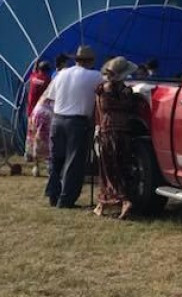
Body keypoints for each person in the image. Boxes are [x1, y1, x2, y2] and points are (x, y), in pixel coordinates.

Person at [44, 46, 103, 209]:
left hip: (57, 119)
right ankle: (66, 199)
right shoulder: (96, 76)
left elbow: (51, 97)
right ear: (90, 61)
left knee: (56, 160)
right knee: (74, 162)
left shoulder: (62, 74)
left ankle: (53, 194)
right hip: (77, 122)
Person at [94, 57, 143, 219]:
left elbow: (99, 111)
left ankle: (120, 201)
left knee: (108, 170)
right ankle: (110, 203)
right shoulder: (127, 92)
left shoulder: (102, 90)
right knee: (122, 168)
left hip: (108, 131)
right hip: (124, 131)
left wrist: (97, 128)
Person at [25, 85, 55, 177]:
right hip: (47, 113)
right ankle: (49, 166)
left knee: (35, 139)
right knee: (48, 140)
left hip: (37, 111)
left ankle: (36, 167)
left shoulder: (50, 87)